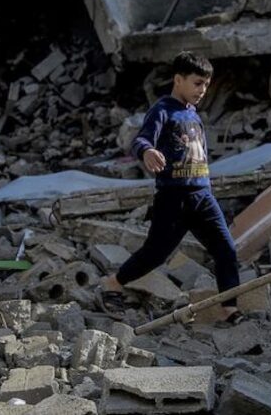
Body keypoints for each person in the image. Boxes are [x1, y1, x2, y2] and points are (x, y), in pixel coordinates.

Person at [97, 51, 241, 323]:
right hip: (173, 198)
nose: (203, 90)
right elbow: (140, 141)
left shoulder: (194, 116)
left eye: (206, 85)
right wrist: (148, 152)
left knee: (226, 250)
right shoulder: (162, 110)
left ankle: (229, 307)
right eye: (197, 83)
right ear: (178, 80)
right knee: (156, 253)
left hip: (202, 196)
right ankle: (112, 283)